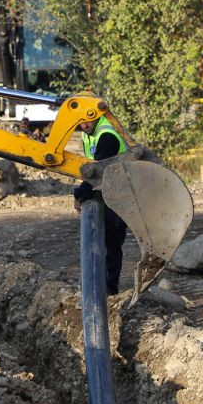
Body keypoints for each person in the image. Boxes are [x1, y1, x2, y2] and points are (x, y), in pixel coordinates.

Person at [73, 116, 128, 295]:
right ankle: (106, 290)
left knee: (103, 243)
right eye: (80, 121)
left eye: (87, 120)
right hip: (109, 191)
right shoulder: (90, 132)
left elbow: (99, 171)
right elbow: (92, 167)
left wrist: (81, 193)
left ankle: (103, 291)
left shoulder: (107, 135)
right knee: (110, 245)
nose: (84, 125)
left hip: (119, 194)